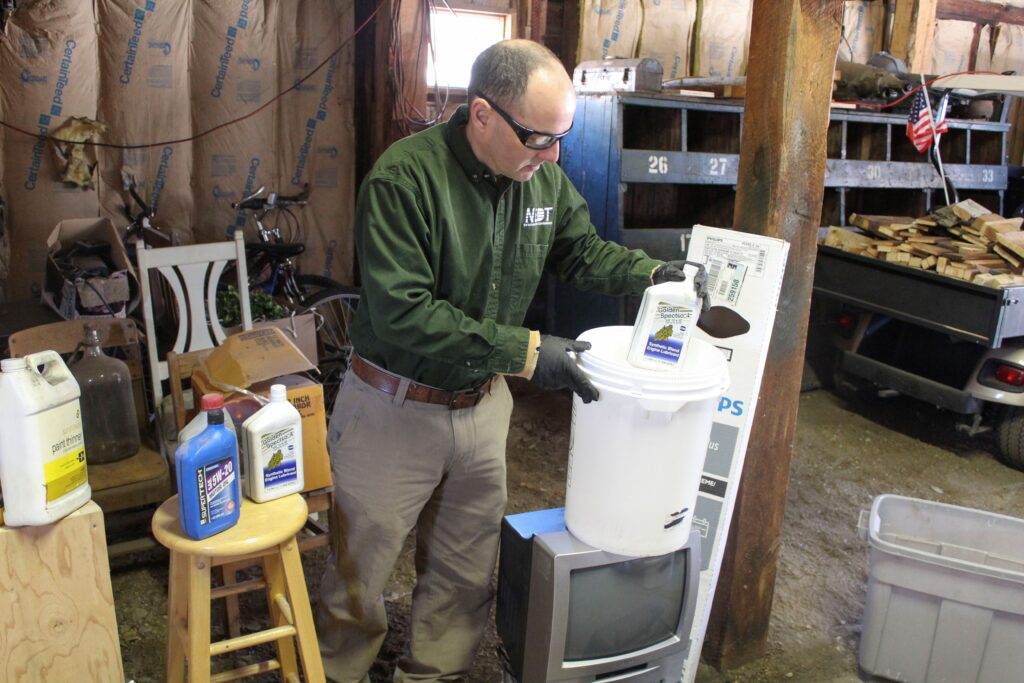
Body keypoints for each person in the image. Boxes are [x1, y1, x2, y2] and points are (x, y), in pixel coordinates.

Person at [316, 38, 691, 682]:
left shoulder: (539, 174)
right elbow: (406, 314)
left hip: (482, 408)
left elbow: (582, 252)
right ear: (482, 114)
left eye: (560, 137)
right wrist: (526, 351)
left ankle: (431, 675)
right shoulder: (403, 181)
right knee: (358, 575)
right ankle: (334, 673)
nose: (551, 155)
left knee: (464, 572)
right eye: (537, 137)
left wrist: (656, 273)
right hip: (392, 409)